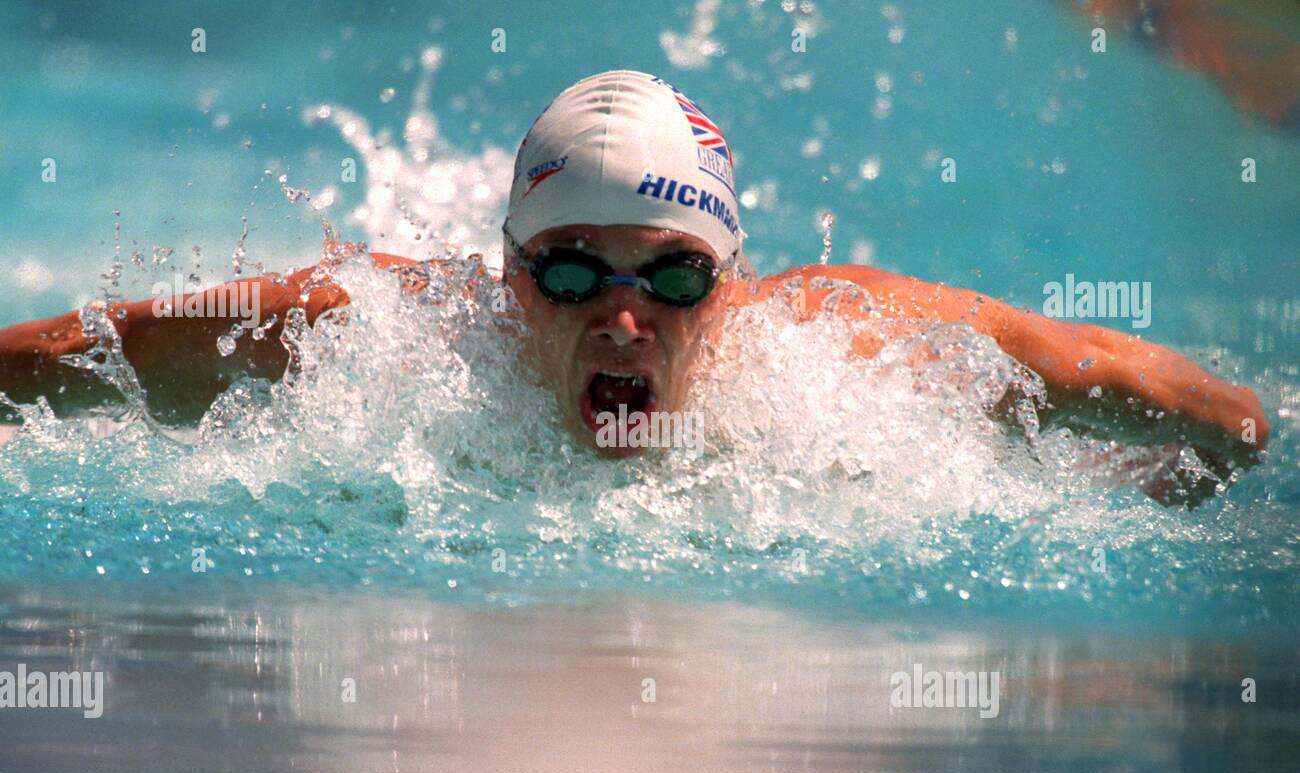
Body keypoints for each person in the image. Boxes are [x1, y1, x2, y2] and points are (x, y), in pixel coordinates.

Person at [0, 70, 1269, 505]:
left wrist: (1161, 494)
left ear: (732, 282)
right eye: (567, 270)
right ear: (503, 280)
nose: (622, 317)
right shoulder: (372, 342)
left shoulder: (856, 354)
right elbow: (67, 359)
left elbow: (1217, 420)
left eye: (672, 277)